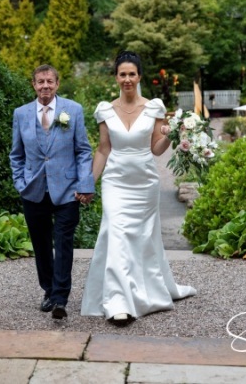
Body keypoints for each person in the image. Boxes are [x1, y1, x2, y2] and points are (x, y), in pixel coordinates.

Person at [81, 51, 196, 325]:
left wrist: (173, 136)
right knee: (117, 233)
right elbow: (103, 149)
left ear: (140, 77)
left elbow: (156, 149)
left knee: (143, 239)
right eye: (123, 74)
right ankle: (118, 301)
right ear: (116, 77)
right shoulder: (105, 110)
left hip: (144, 182)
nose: (127, 79)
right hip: (115, 182)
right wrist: (88, 184)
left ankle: (146, 290)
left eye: (132, 74)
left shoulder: (154, 107)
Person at [10, 64, 95, 319]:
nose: (45, 86)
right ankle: (48, 289)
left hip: (67, 190)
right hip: (33, 190)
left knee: (64, 242)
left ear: (57, 84)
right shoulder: (21, 114)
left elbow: (83, 150)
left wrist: (85, 184)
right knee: (41, 244)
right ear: (33, 85)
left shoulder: (74, 110)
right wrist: (20, 182)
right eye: (40, 82)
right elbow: (16, 154)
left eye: (49, 81)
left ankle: (60, 298)